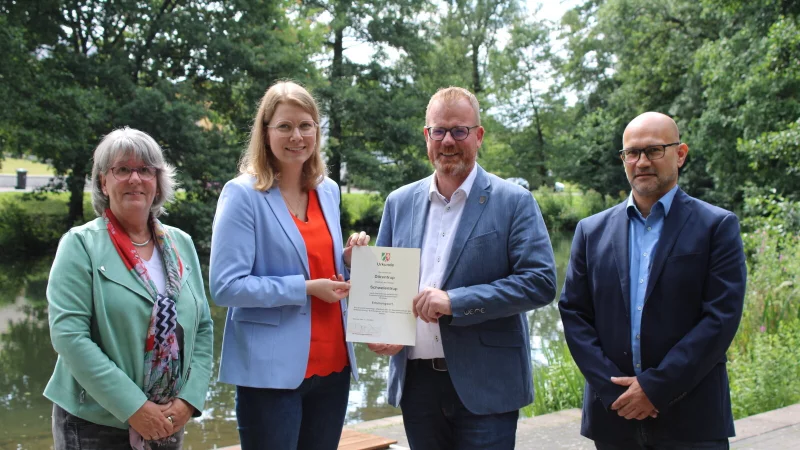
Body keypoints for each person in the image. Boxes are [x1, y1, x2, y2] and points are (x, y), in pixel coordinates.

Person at [368, 86, 557, 449]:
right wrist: (381, 327)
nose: (448, 141)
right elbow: (385, 283)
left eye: (459, 130)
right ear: (426, 136)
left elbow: (540, 282)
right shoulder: (398, 202)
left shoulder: (515, 202)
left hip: (487, 383)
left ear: (479, 135)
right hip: (417, 385)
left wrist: (455, 301)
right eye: (438, 131)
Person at [559, 112, 747, 449]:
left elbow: (720, 319)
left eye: (654, 150)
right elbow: (574, 314)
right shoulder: (590, 231)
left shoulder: (716, 227)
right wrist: (614, 390)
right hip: (614, 417)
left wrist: (655, 388)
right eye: (632, 153)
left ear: (680, 154)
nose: (642, 162)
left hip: (692, 419)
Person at [209, 80, 369, 450]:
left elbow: (326, 269)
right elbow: (226, 287)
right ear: (265, 133)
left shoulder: (328, 190)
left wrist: (348, 262)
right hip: (271, 373)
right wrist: (306, 289)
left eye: (305, 125)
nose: (296, 136)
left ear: (316, 131)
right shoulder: (242, 195)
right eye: (284, 126)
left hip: (333, 365)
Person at [44, 127, 214, 450]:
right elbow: (69, 336)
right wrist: (135, 408)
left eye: (145, 170)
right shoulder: (80, 245)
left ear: (157, 182)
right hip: (94, 423)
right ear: (103, 182)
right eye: (122, 169)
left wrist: (189, 400)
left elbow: (203, 327)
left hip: (168, 420)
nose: (135, 179)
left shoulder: (182, 244)